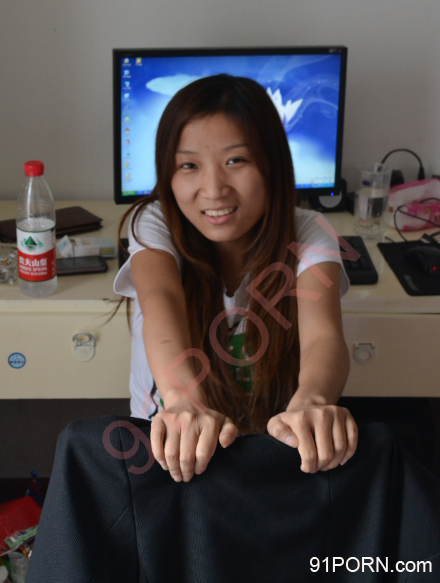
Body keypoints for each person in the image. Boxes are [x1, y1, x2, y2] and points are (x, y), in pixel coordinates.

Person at [111, 73, 358, 485]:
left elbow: (323, 336)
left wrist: (313, 401)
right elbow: (161, 300)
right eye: (188, 165)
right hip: (172, 450)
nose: (213, 189)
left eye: (236, 161)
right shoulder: (154, 223)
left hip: (273, 450)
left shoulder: (311, 232)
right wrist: (183, 401)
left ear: (272, 164)